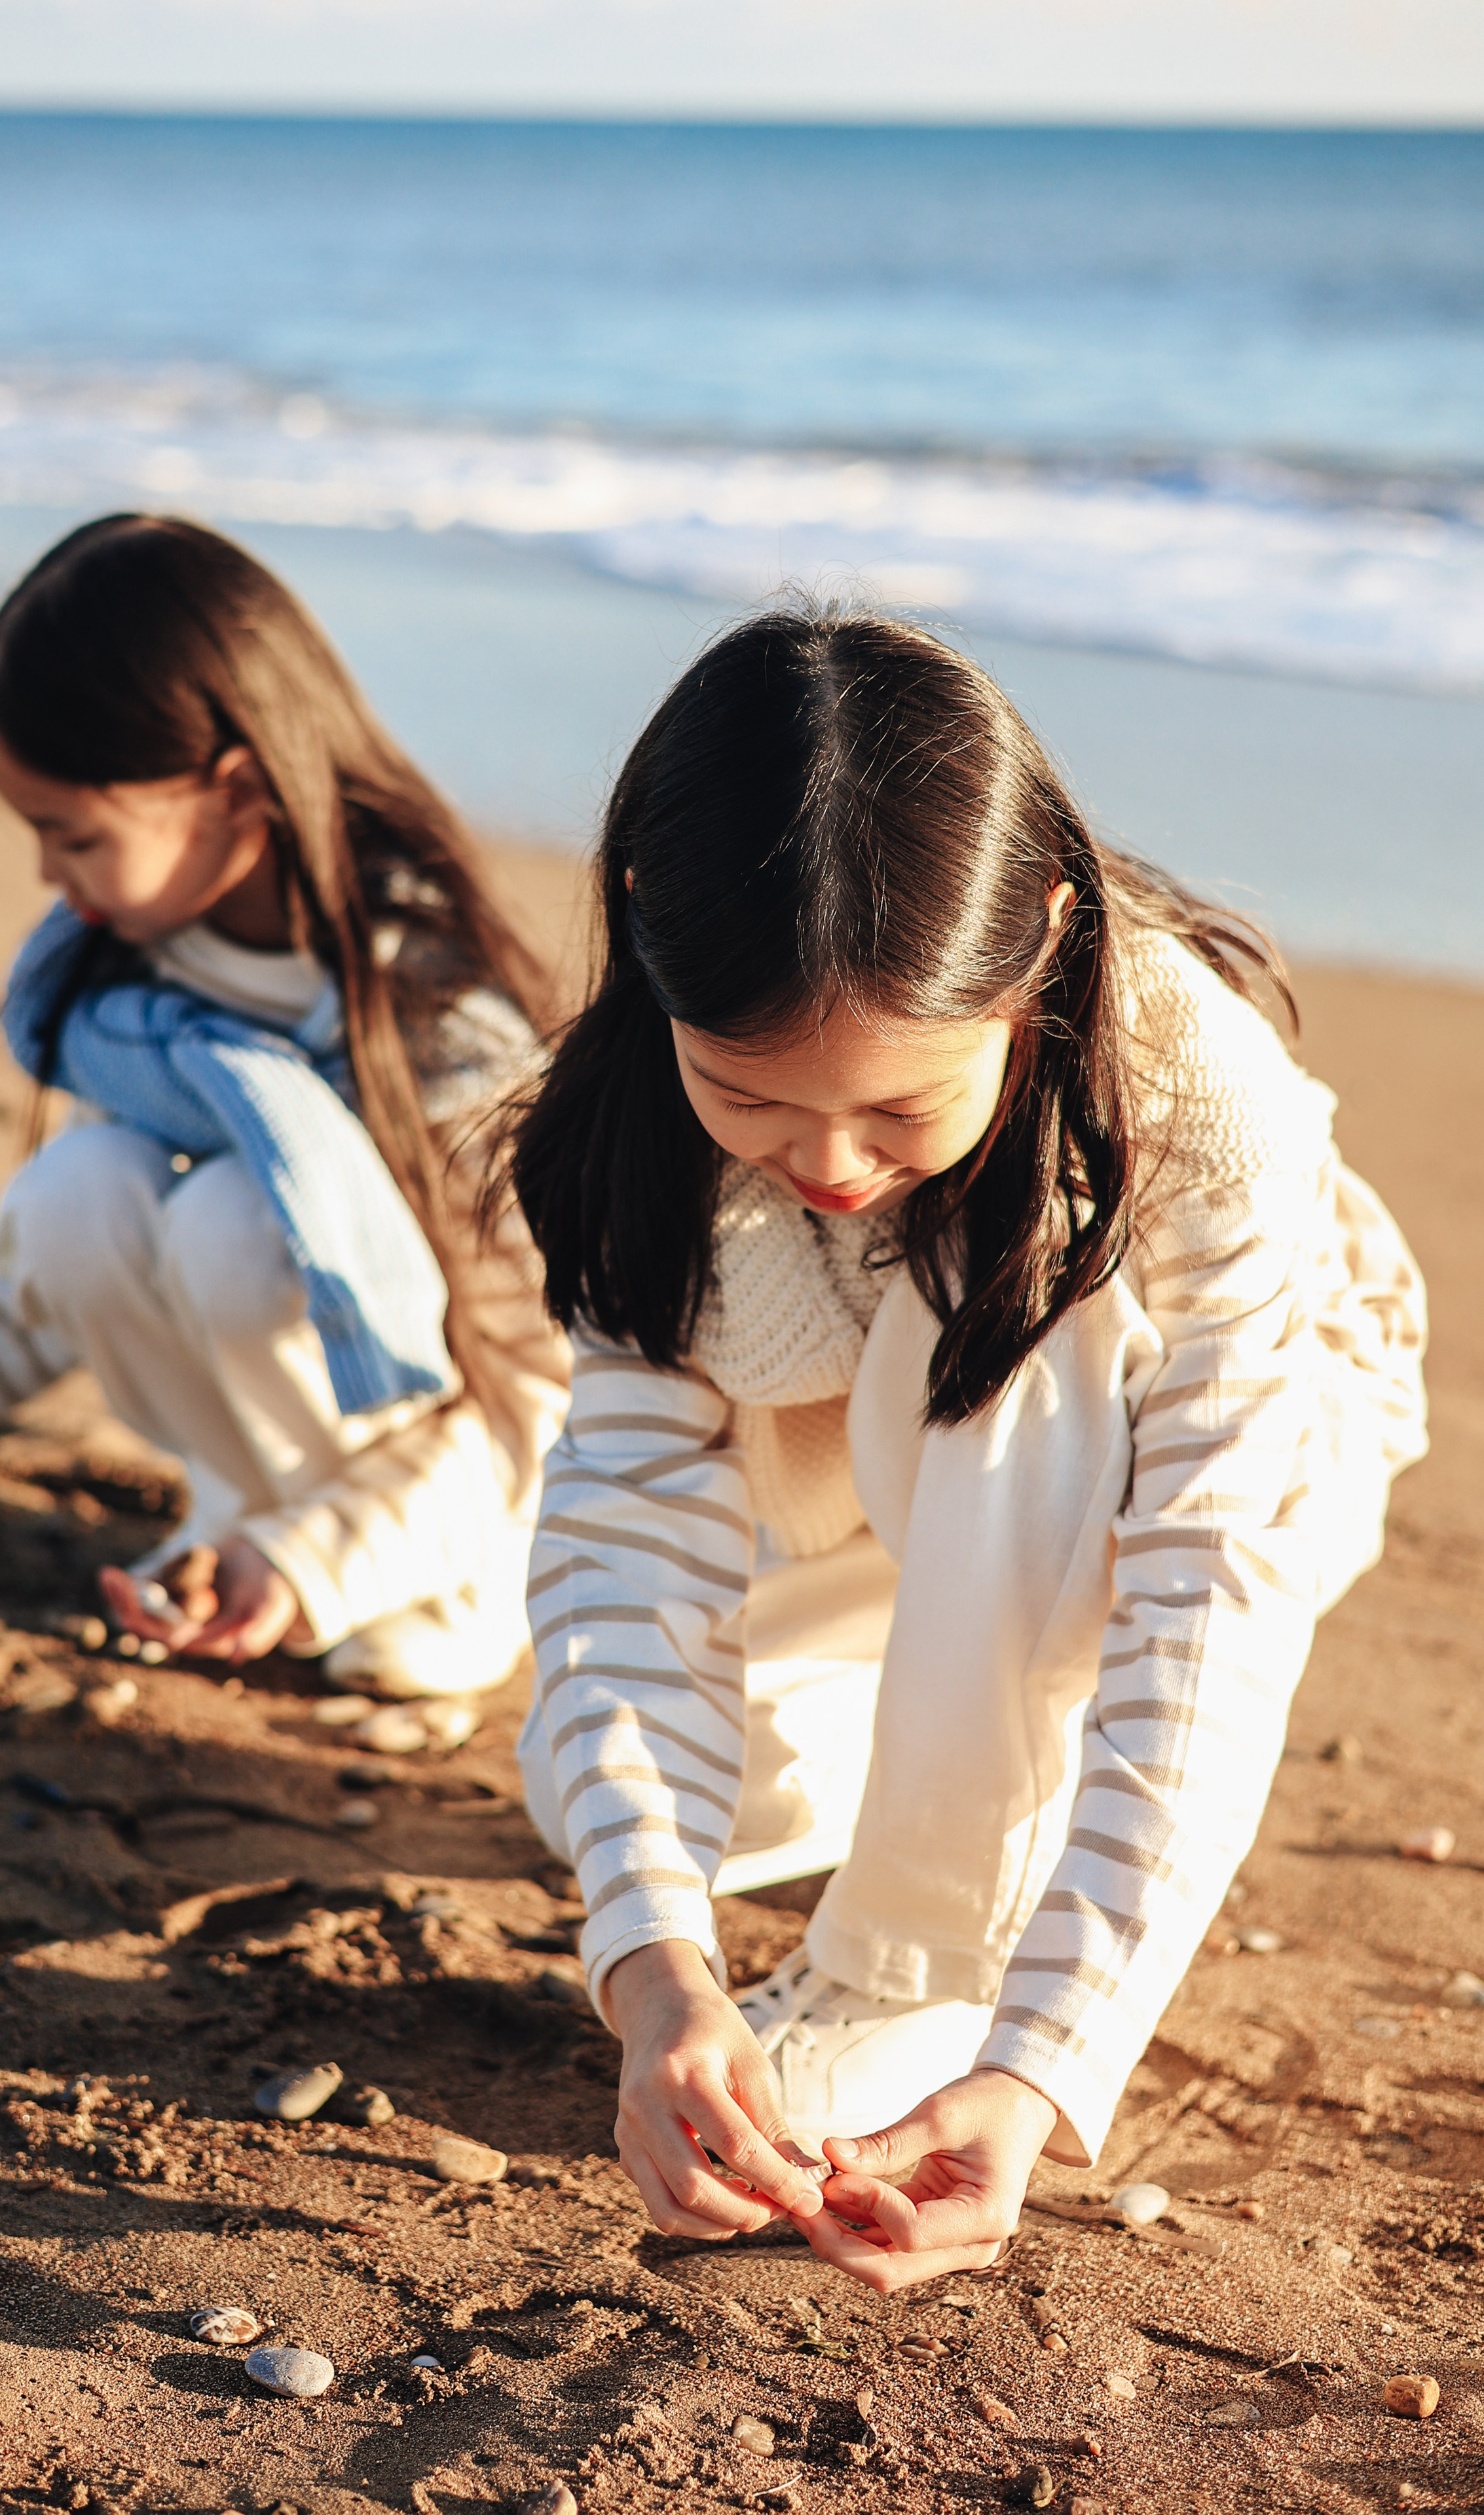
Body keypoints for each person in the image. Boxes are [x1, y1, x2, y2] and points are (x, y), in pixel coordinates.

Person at [510, 606, 1426, 2290]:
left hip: (1142, 1452)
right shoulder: (631, 1123)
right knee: (630, 1800)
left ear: (1042, 945)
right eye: (752, 1098)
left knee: (1011, 1315)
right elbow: (624, 1548)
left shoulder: (1191, 1118)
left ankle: (919, 1960)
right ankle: (928, 1749)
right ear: (643, 928)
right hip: (860, 1503)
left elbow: (1203, 1602)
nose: (827, 1163)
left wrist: (1038, 2061)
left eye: (897, 1107)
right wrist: (653, 1969)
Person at [0, 515, 568, 1697]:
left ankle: (402, 1591)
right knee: (79, 1188)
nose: (47, 878)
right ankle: (239, 1540)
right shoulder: (149, 999)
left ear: (237, 792)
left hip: (465, 1509)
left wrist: (314, 1557)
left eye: (73, 835)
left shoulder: (434, 1024)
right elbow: (54, 1284)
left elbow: (540, 1402)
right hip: (264, 1506)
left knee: (232, 1223)